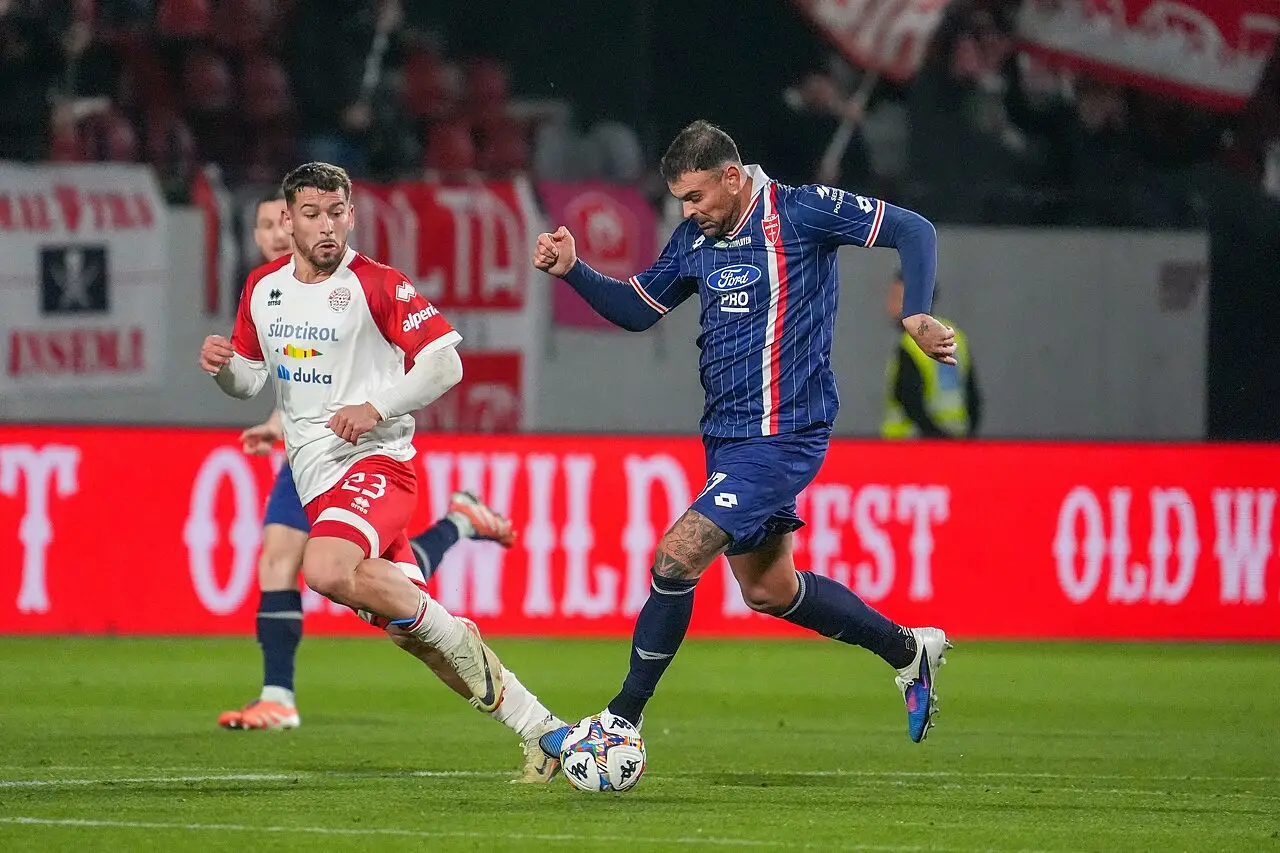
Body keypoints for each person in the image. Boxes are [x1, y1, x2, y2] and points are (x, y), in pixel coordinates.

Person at [532, 120, 954, 757]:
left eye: (695, 196)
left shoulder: (803, 211)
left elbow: (913, 229)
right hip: (727, 440)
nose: (687, 210)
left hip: (786, 435)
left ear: (732, 178)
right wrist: (573, 270)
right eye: (680, 198)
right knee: (768, 591)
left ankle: (620, 722)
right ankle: (907, 650)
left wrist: (917, 310)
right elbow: (638, 310)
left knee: (677, 557)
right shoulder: (695, 240)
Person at [200, 165, 562, 782]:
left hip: (378, 465)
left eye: (336, 212)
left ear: (351, 215)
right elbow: (251, 380)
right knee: (415, 637)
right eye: (312, 213)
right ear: (287, 220)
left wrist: (376, 407)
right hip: (316, 482)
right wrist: (225, 369)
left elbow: (445, 364)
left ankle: (450, 629)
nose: (327, 225)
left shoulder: (378, 284)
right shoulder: (263, 288)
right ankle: (544, 731)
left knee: (321, 567)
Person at [881, 271, 982, 439]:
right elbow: (972, 396)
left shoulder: (911, 344)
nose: (890, 306)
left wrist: (937, 438)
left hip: (912, 443)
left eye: (898, 298)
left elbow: (910, 401)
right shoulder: (955, 335)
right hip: (957, 438)